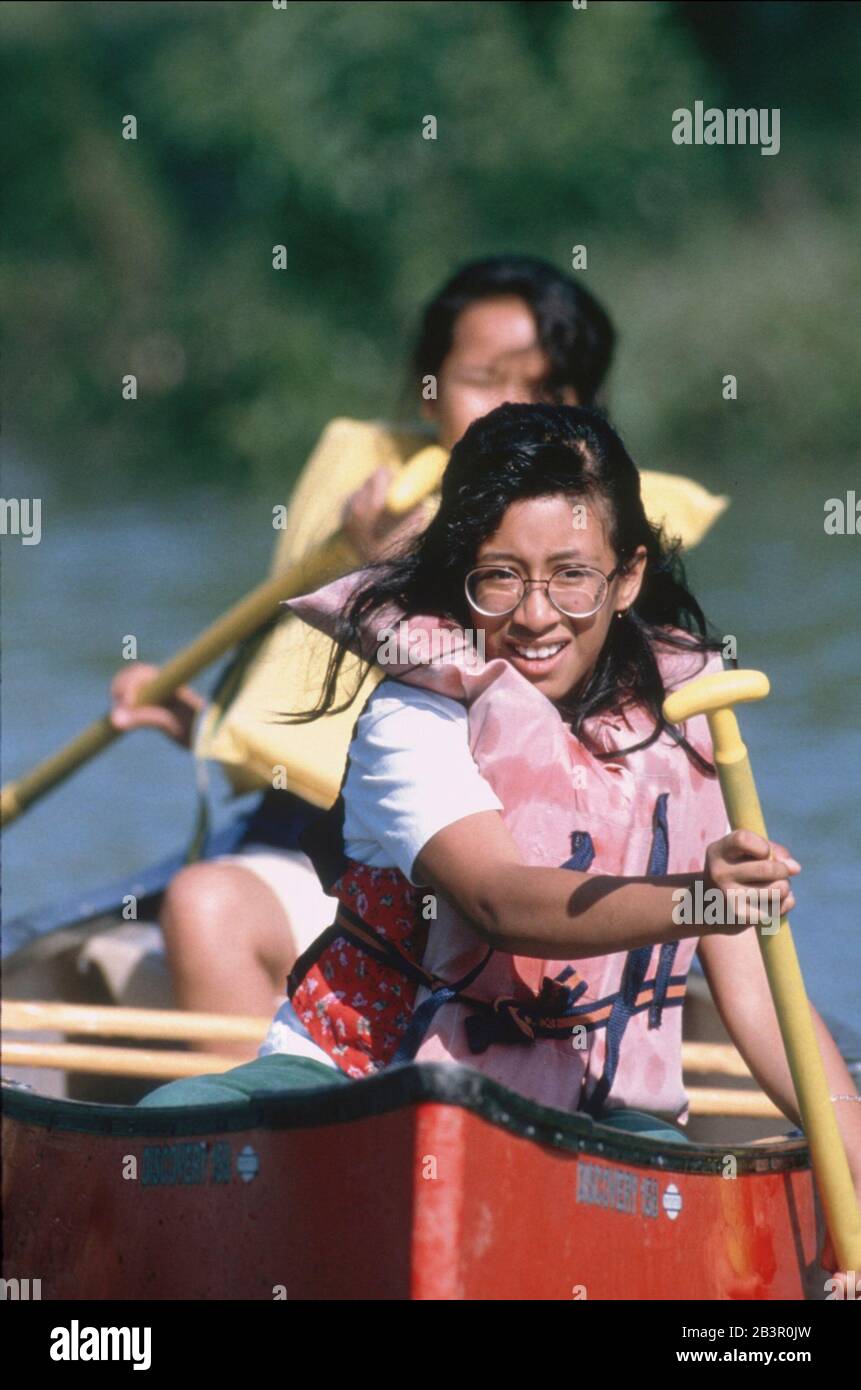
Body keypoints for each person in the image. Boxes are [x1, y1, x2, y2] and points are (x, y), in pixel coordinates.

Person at [141, 402, 859, 1293]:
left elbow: (754, 994)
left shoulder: (689, 721)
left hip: (591, 1112)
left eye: (571, 577)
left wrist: (849, 1148)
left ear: (627, 576)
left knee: (689, 1194)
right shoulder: (415, 714)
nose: (533, 616)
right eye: (499, 578)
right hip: (360, 1081)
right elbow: (495, 900)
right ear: (460, 577)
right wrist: (696, 896)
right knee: (167, 1125)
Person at [112, 258, 726, 1054]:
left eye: (546, 387)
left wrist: (383, 554)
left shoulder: (603, 500)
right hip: (353, 858)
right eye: (483, 378)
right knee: (205, 905)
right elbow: (329, 717)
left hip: (562, 872)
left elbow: (562, 709)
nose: (512, 406)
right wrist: (200, 724)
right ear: (428, 383)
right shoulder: (372, 485)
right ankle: (236, 1144)